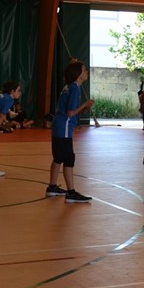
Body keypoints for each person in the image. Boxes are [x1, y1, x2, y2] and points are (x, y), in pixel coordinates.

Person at [47, 61, 95, 202]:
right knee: (68, 158)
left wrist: (83, 108)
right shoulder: (75, 89)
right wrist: (85, 105)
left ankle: (52, 187)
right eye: (84, 70)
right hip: (64, 126)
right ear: (78, 74)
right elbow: (70, 113)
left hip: (58, 125)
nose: (86, 72)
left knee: (58, 157)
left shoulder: (68, 86)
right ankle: (71, 193)